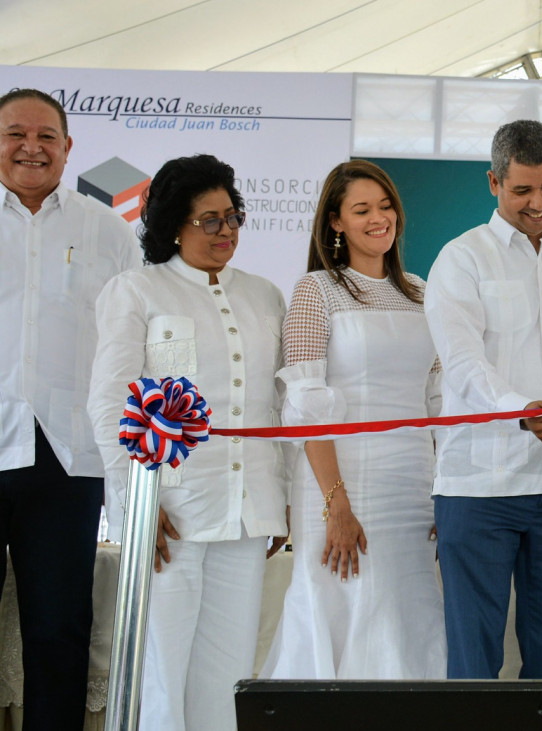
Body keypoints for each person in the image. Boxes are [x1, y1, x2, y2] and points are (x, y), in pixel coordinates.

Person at [87, 154, 288, 730]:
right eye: (209, 220)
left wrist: (280, 499)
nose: (225, 232)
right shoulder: (137, 291)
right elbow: (111, 403)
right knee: (161, 670)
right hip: (167, 514)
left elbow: (277, 407)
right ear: (175, 223)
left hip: (246, 514)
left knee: (226, 675)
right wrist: (134, 508)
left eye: (232, 217)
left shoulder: (264, 295)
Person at [426, 119, 542, 680]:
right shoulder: (460, 259)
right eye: (523, 190)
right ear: (493, 182)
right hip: (479, 484)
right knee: (474, 660)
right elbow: (461, 364)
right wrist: (520, 413)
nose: (538, 203)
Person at [262, 160, 446, 680]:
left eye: (385, 206)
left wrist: (442, 493)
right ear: (336, 222)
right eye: (361, 209)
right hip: (341, 489)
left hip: (412, 489)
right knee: (341, 608)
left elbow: (437, 402)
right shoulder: (314, 290)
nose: (378, 218)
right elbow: (305, 408)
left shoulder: (421, 291)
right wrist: (336, 506)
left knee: (412, 617)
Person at [0, 88, 138, 730]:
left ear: (67, 146)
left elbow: (136, 337)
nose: (32, 146)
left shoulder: (107, 230)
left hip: (67, 457)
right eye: (15, 133)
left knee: (59, 632)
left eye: (46, 135)